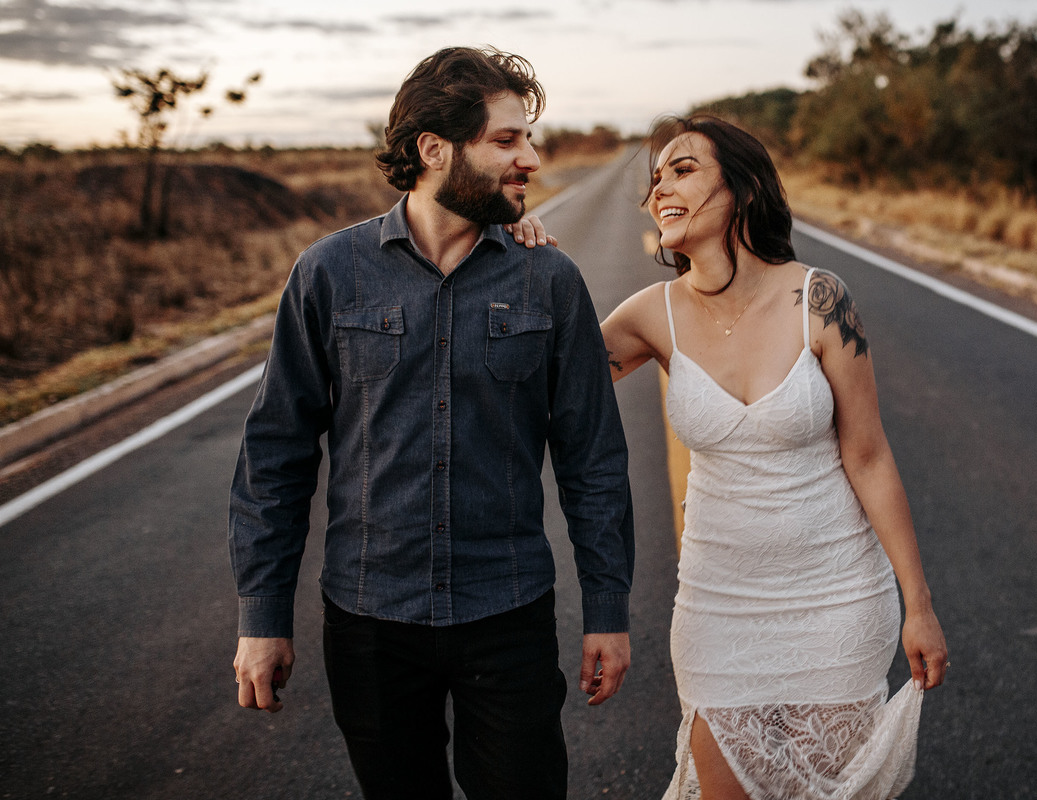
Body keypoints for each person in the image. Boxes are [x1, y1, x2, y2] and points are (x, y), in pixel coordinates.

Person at [227, 46, 635, 800]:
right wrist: (262, 614)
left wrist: (607, 610)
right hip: (370, 619)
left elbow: (594, 460)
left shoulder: (549, 279)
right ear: (434, 148)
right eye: (507, 141)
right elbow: (276, 452)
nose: (533, 160)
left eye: (529, 139)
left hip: (506, 612)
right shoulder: (329, 272)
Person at [601, 116, 949, 799]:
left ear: (742, 187)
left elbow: (870, 456)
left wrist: (920, 604)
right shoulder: (650, 315)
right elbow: (544, 377)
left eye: (682, 169)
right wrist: (514, 251)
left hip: (837, 599)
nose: (660, 188)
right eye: (655, 180)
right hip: (717, 606)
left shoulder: (820, 300)